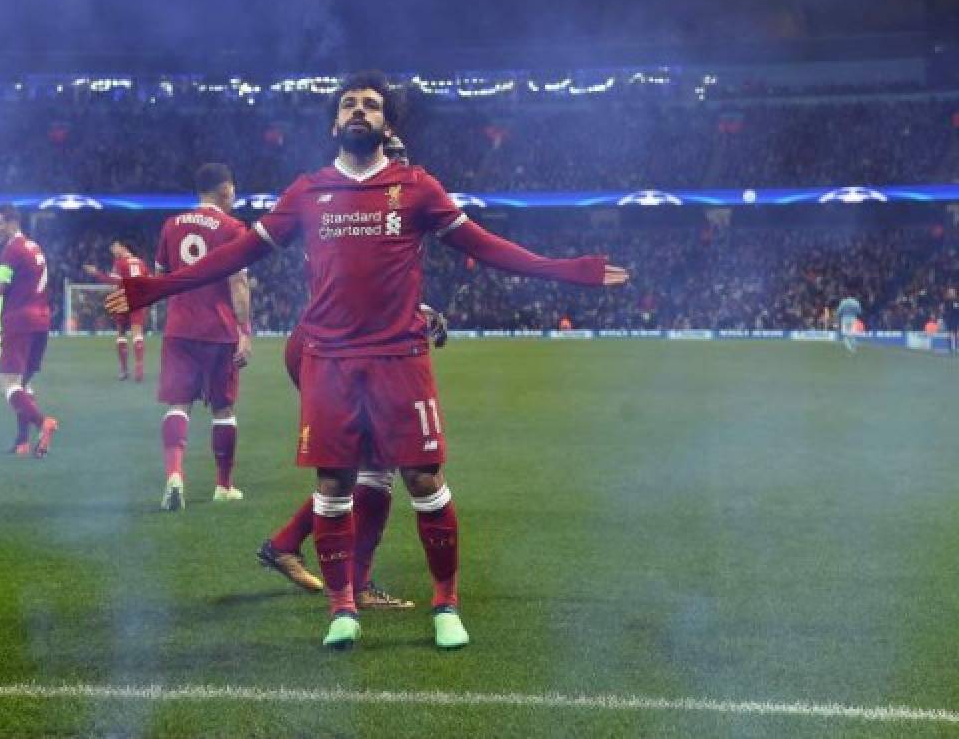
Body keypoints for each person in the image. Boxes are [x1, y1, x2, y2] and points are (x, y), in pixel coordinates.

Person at [108, 70, 628, 651]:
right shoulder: (308, 191)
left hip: (399, 358)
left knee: (423, 479)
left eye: (371, 105)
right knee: (337, 481)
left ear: (387, 124)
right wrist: (153, 288)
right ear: (335, 122)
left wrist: (571, 271)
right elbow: (233, 255)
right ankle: (343, 608)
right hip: (327, 356)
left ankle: (445, 605)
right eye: (349, 104)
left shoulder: (417, 188)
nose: (359, 110)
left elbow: (485, 246)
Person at [258, 303, 449, 608]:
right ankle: (358, 586)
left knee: (367, 465)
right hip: (339, 346)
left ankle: (285, 545)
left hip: (326, 340)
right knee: (375, 467)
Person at [153, 163, 252, 510]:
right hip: (218, 330)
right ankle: (223, 486)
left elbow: (161, 278)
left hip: (179, 329)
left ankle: (174, 475)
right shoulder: (233, 229)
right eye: (234, 190)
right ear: (225, 190)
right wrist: (245, 331)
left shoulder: (171, 226)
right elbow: (237, 283)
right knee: (223, 408)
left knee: (178, 404)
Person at [0, 204, 58, 457]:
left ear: (12, 222)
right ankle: (22, 442)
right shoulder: (34, 247)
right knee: (23, 385)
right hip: (41, 321)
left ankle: (43, 423)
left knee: (8, 384)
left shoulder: (13, 249)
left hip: (19, 322)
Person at [83, 240, 151, 381]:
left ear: (123, 247)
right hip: (138, 299)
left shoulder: (120, 263)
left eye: (114, 247)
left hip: (123, 298)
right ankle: (139, 367)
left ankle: (124, 370)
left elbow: (113, 281)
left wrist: (96, 273)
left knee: (121, 332)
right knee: (137, 332)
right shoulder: (141, 263)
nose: (112, 249)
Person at [943, 288, 959, 356]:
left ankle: (956, 348)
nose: (951, 293)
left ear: (954, 293)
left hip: (955, 318)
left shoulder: (956, 300)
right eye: (950, 292)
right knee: (949, 333)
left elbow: (957, 310)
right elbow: (945, 309)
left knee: (956, 333)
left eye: (952, 292)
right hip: (949, 319)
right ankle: (950, 348)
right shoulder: (947, 300)